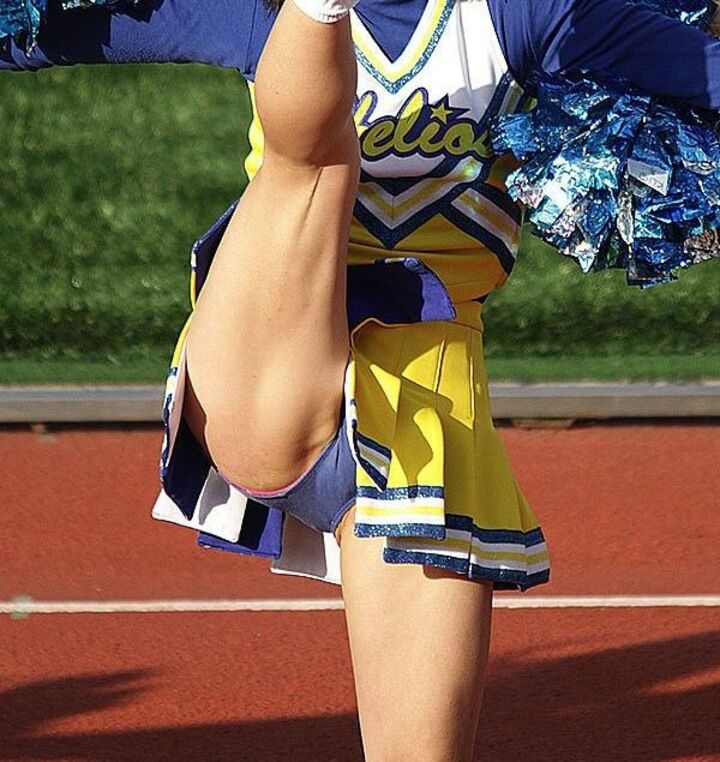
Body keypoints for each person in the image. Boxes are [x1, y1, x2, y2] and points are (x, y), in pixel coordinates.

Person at [4, 1, 720, 759]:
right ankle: (321, 7)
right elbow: (34, 32)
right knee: (315, 164)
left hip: (425, 426)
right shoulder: (254, 10)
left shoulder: (523, 13)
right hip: (270, 368)